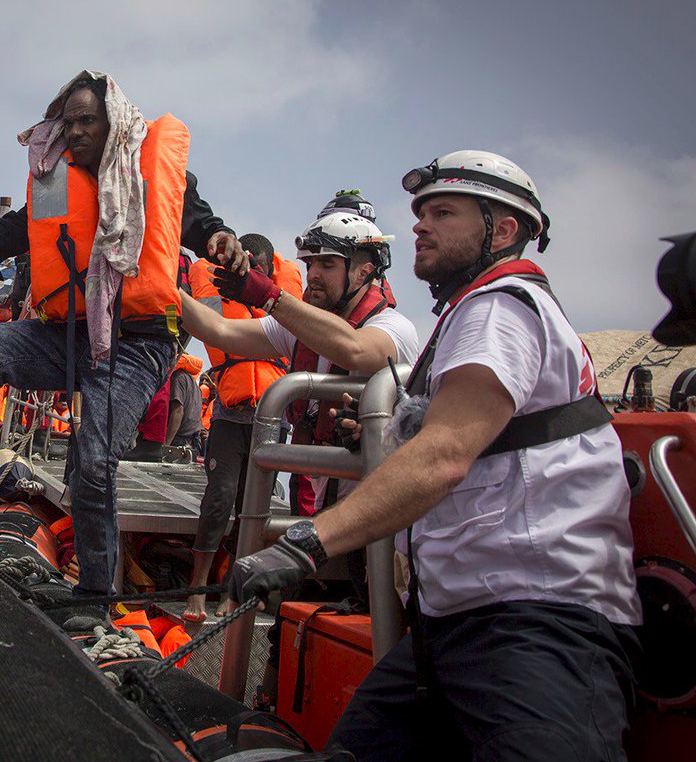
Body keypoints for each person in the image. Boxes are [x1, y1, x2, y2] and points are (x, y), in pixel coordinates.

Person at [228, 150, 641, 761]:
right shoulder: (470, 316)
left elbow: (445, 454)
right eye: (421, 212)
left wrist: (305, 542)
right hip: (455, 627)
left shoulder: (498, 308)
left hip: (536, 628)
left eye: (442, 212)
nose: (420, 224)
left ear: (501, 230)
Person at [0, 71, 248, 615]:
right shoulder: (52, 179)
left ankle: (96, 595)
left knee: (93, 456)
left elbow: (203, 229)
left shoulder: (158, 172)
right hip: (68, 333)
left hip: (138, 343)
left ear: (113, 122)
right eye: (68, 122)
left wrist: (222, 241)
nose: (75, 132)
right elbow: (1, 237)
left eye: (87, 122)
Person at [176, 233, 304, 621]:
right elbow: (205, 323)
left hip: (271, 418)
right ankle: (197, 589)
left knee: (255, 505)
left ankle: (234, 587)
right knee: (219, 500)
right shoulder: (215, 287)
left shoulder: (285, 299)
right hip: (229, 416)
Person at [166, 353, 203, 452]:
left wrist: (165, 444)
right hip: (192, 442)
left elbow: (178, 411)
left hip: (178, 441)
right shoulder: (195, 385)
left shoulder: (177, 377)